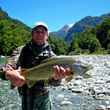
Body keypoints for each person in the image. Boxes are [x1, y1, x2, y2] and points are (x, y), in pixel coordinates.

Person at [5, 22, 70, 110]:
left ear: (47, 35)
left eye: (42, 32)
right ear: (32, 34)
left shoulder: (53, 57)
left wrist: (57, 78)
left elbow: (54, 83)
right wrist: (8, 74)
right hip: (26, 96)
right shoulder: (21, 50)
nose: (39, 34)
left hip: (44, 96)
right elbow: (7, 67)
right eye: (37, 31)